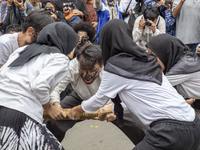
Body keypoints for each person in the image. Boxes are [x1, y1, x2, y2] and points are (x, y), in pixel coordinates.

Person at [68, 19, 200, 150]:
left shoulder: (115, 66)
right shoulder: (146, 60)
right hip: (194, 123)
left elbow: (99, 99)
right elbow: (141, 99)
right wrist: (114, 110)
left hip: (170, 131)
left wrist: (78, 110)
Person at [45, 44, 147, 145]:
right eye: (83, 69)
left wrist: (112, 110)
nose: (86, 75)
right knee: (53, 119)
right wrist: (56, 104)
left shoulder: (110, 70)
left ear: (101, 66)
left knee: (140, 127)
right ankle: (46, 145)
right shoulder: (73, 66)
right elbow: (56, 87)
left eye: (91, 70)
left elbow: (114, 96)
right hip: (81, 97)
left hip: (111, 100)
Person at [0, 22, 79, 149]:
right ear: (65, 42)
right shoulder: (59, 58)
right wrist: (49, 108)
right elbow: (39, 86)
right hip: (19, 114)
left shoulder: (22, 50)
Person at [146, 33, 200, 110]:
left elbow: (155, 87)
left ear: (165, 53)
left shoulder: (184, 66)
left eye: (153, 56)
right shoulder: (185, 58)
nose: (150, 60)